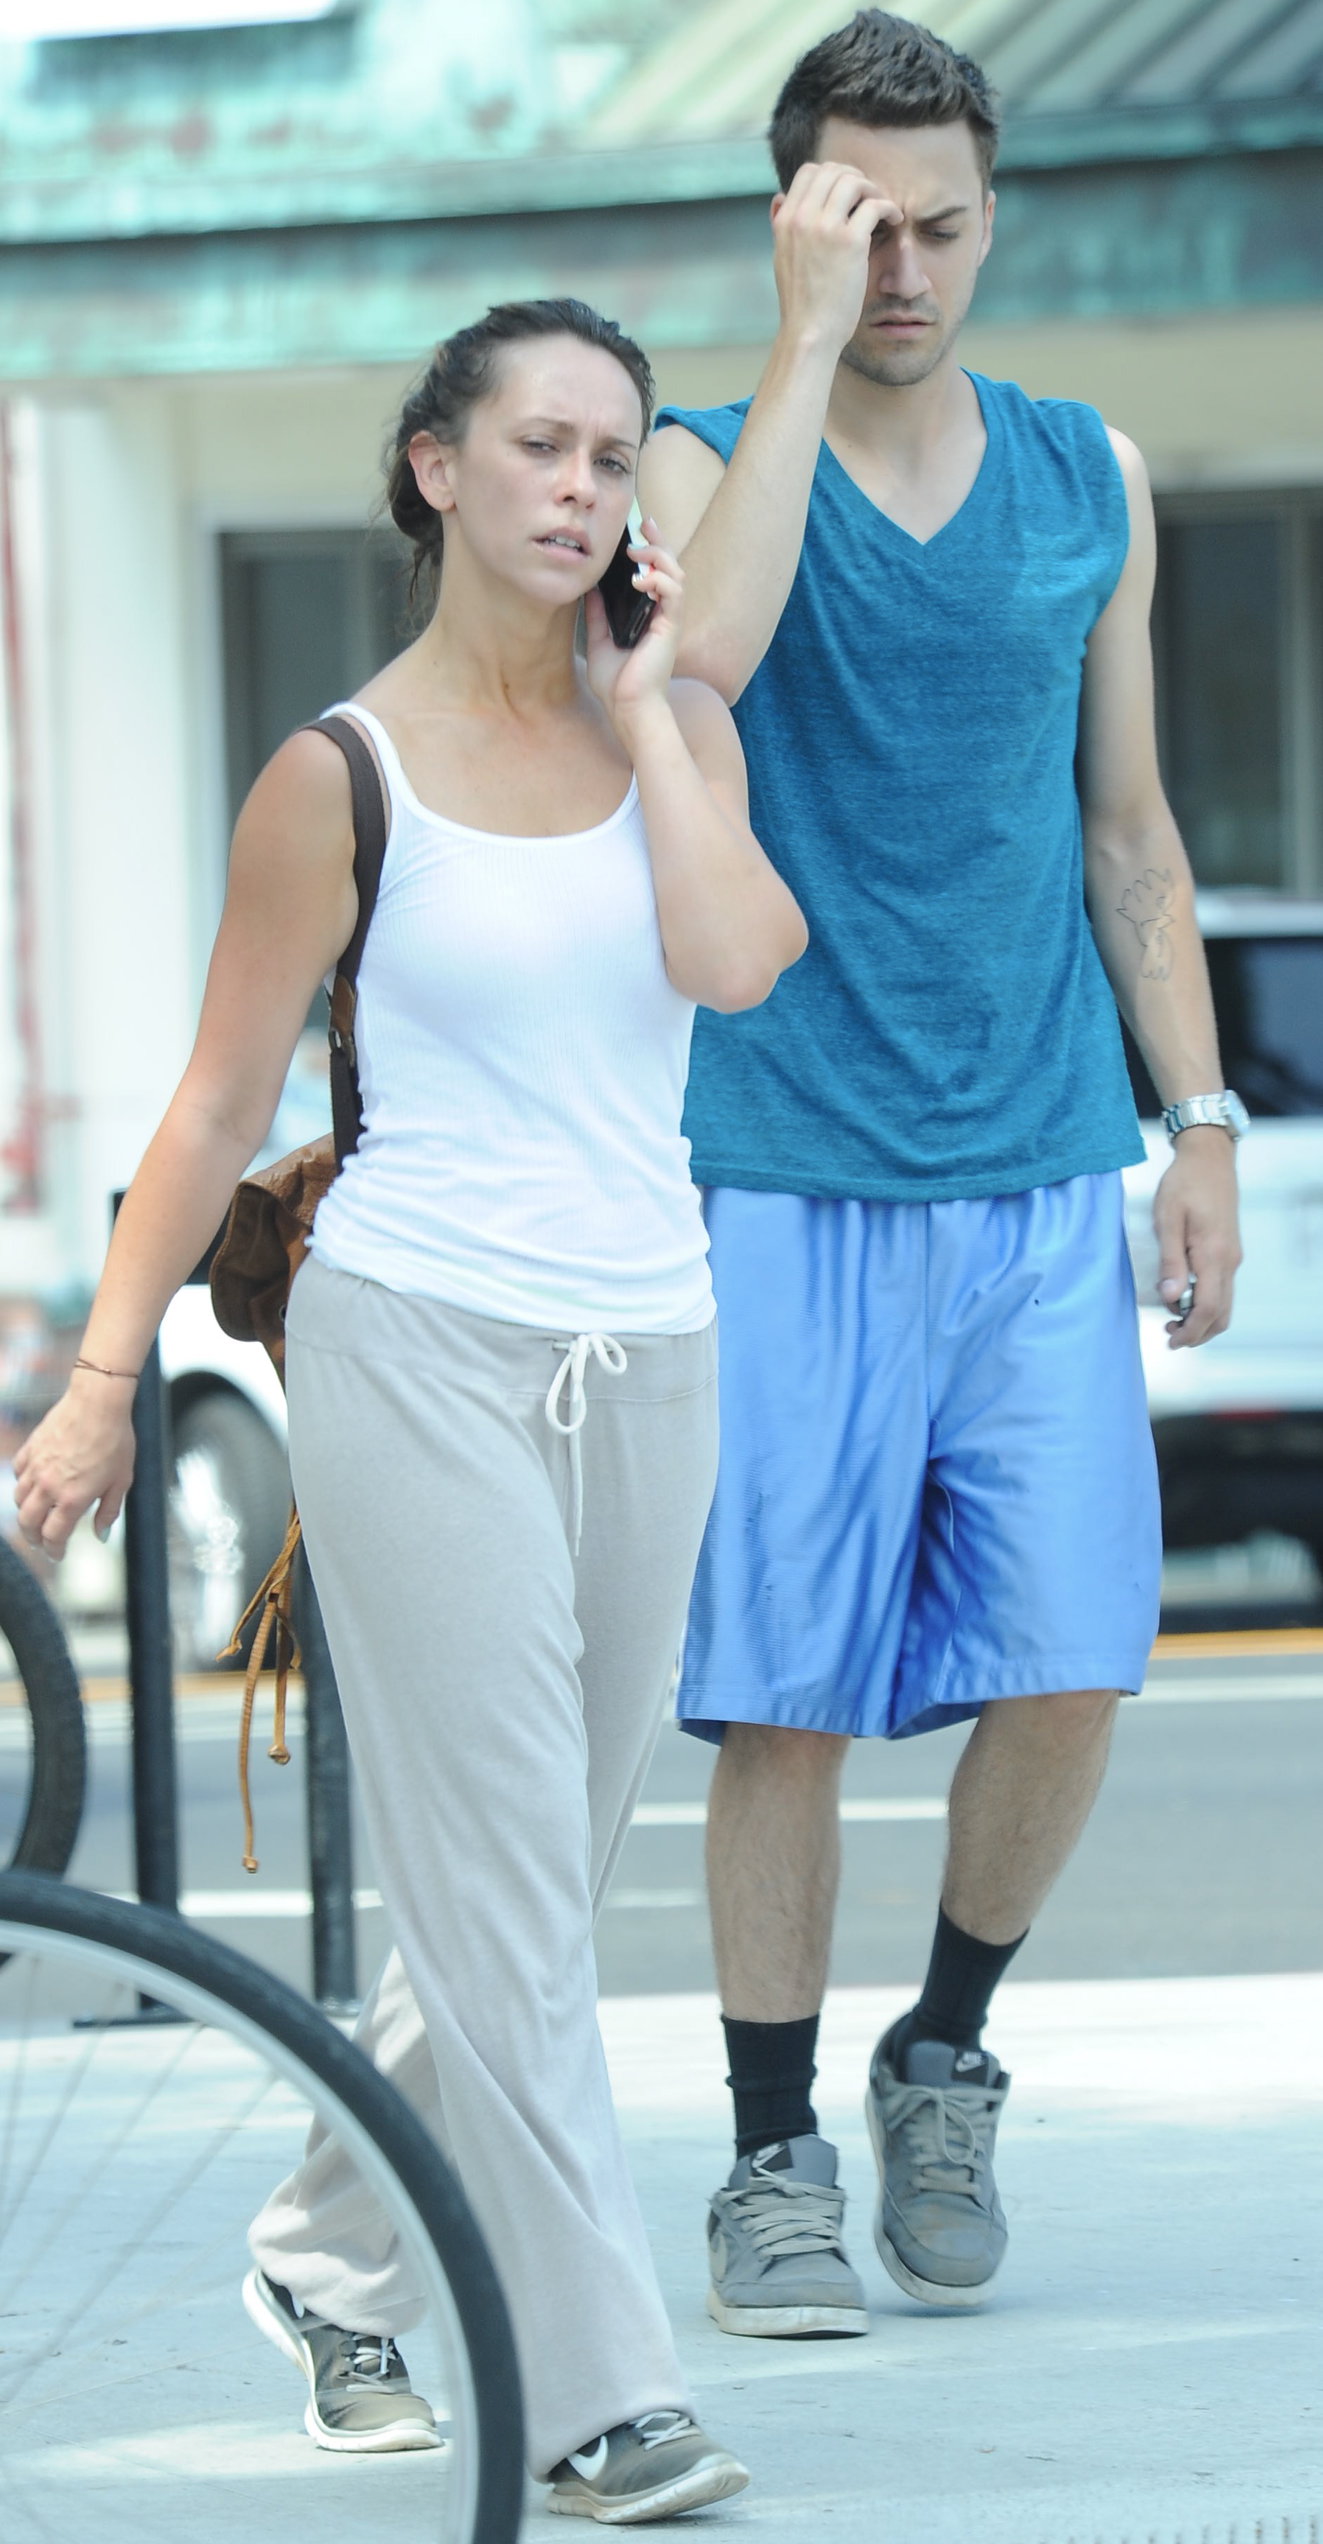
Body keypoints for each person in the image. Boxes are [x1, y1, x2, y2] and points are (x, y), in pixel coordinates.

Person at [14, 295, 806, 2521]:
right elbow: (212, 1104)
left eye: (615, 458)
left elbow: (737, 963)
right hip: (417, 1343)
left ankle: (324, 2248)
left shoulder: (676, 727)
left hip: (653, 1345)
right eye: (542, 446)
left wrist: (651, 715)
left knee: (525, 1884)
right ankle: (590, 2393)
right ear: (437, 469)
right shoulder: (336, 774)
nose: (583, 489)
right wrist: (99, 1382)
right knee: (512, 1910)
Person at [637, 9, 1244, 2340]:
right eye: (854, 225)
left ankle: (940, 2055)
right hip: (781, 1162)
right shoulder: (699, 460)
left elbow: (1127, 829)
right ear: (790, 222)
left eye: (937, 226)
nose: (901, 268)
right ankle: (766, 2153)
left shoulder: (1087, 473)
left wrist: (1196, 1125)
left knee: (1073, 1656)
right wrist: (796, 347)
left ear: (996, 223)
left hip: (1033, 1167)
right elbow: (706, 655)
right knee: (782, 1696)